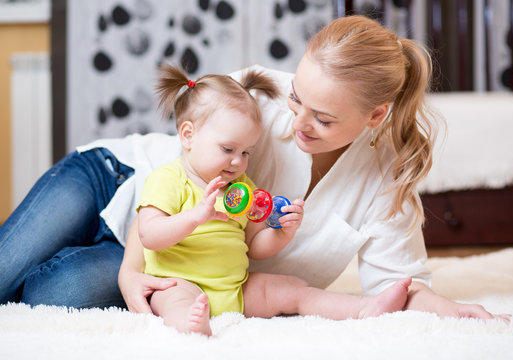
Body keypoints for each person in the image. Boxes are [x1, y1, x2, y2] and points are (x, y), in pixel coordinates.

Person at [0, 15, 509, 323]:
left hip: (177, 260)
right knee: (7, 268)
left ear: (375, 116)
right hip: (118, 178)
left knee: (53, 293)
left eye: (323, 118)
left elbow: (401, 285)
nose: (298, 122)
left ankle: (79, 252)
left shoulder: (383, 181)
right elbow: (184, 147)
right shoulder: (259, 92)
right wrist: (129, 272)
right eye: (297, 98)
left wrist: (452, 311)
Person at [137, 65, 412, 336]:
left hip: (235, 288)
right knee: (175, 301)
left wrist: (282, 233)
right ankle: (191, 325)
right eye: (228, 149)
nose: (237, 161)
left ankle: (363, 308)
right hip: (181, 282)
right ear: (188, 135)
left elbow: (254, 245)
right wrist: (196, 216)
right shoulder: (169, 179)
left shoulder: (242, 188)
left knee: (291, 288)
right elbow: (149, 235)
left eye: (246, 152)